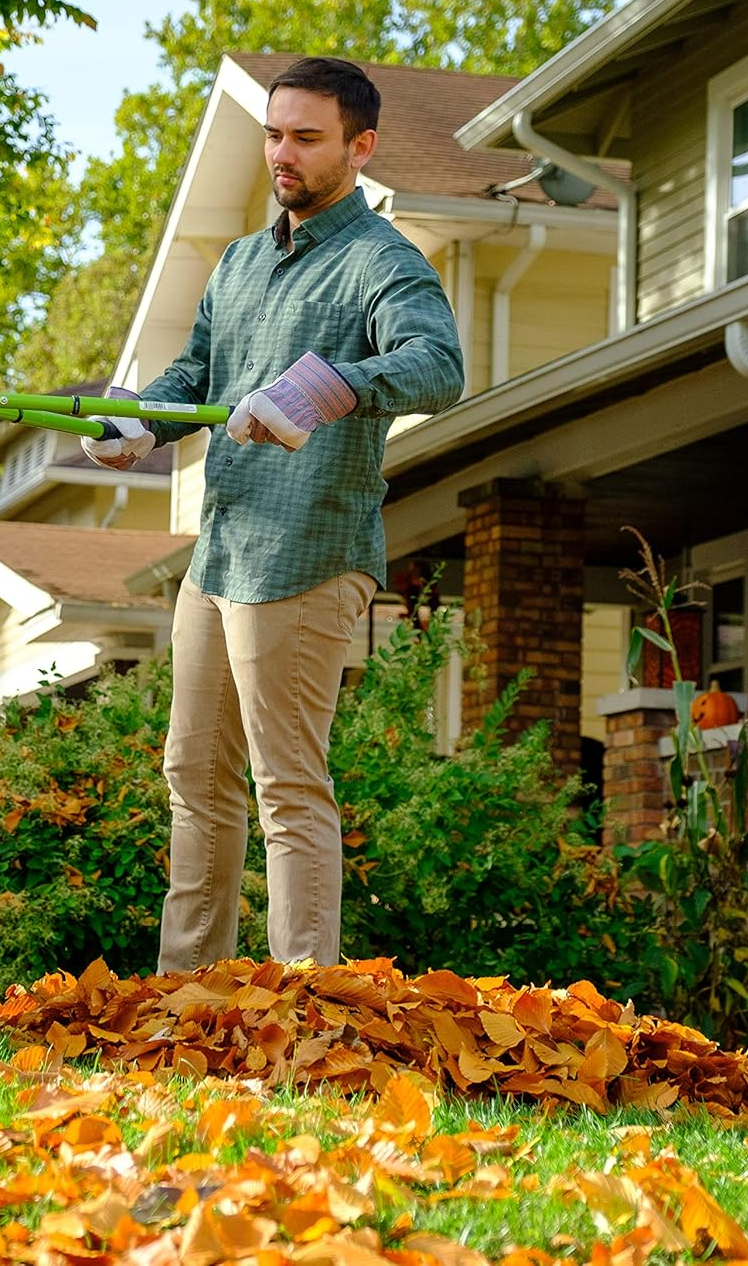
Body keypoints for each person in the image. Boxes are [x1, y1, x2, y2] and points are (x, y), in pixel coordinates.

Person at [82, 56, 464, 972]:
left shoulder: (382, 261)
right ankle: (188, 995)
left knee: (288, 786)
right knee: (194, 780)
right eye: (273, 133)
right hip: (220, 556)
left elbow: (438, 366)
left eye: (306, 137)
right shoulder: (243, 262)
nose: (281, 154)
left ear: (359, 148)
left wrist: (337, 386)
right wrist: (139, 420)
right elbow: (196, 376)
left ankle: (306, 1006)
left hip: (308, 554)